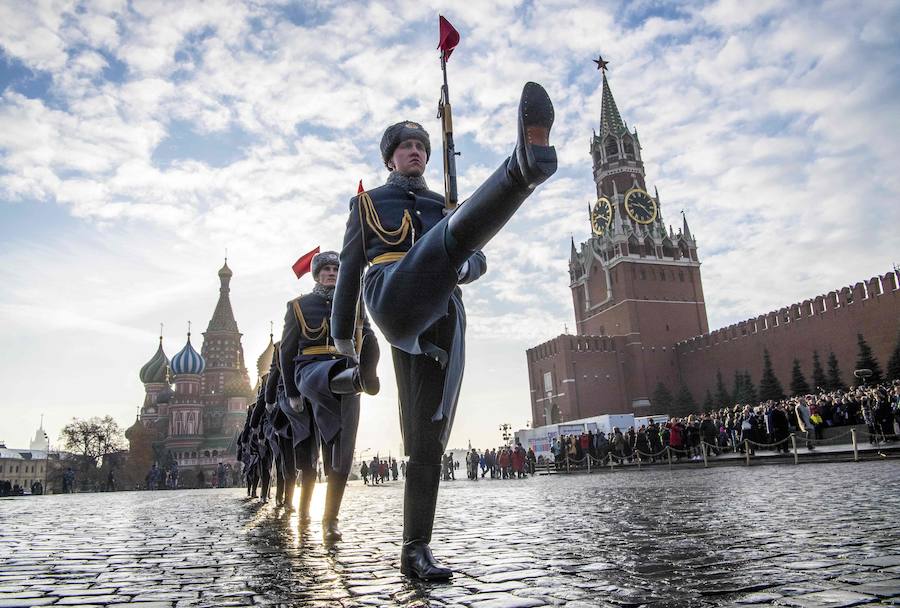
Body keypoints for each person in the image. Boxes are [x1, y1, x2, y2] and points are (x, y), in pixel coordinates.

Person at [331, 81, 555, 580]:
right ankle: (524, 166)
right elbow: (348, 273)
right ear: (390, 158)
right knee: (445, 243)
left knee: (426, 438)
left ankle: (416, 549)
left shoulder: (443, 206)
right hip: (391, 294)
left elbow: (476, 258)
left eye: (422, 147)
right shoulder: (368, 206)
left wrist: (469, 266)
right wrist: (345, 341)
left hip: (442, 317)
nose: (416, 152)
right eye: (406, 147)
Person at [280, 250, 380, 541]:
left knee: (341, 452)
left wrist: (371, 348)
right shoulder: (298, 306)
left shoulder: (353, 303)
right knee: (334, 373)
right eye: (326, 269)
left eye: (337, 269)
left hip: (347, 375)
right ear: (316, 274)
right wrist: (291, 392)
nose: (332, 273)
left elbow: (368, 334)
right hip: (309, 370)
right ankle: (360, 377)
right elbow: (287, 352)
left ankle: (330, 520)